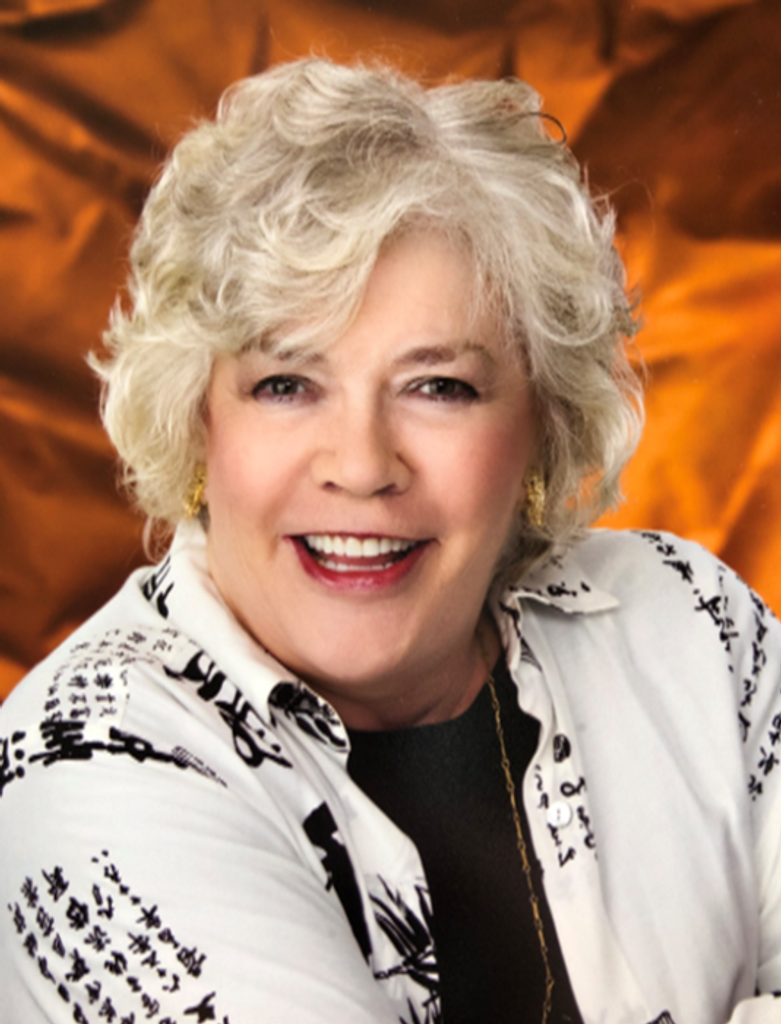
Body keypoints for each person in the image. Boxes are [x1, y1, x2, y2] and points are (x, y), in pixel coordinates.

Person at [0, 57, 779, 1024]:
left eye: (437, 387)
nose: (362, 465)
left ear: (542, 425)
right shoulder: (85, 758)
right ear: (198, 423)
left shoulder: (693, 625)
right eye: (286, 385)